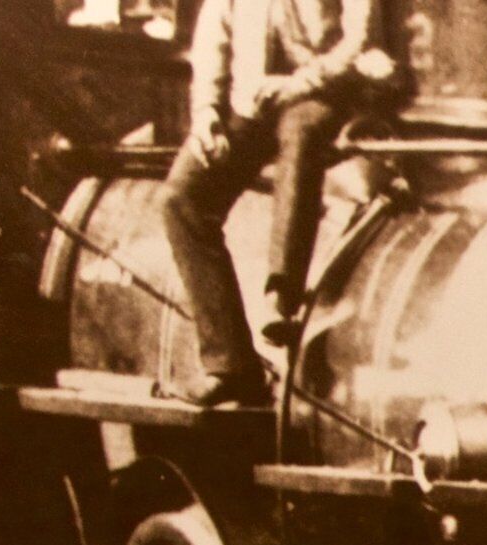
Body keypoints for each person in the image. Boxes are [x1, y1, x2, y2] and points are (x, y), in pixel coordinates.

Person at [161, 0, 399, 406]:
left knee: (302, 135)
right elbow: (213, 39)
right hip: (250, 104)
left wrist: (297, 83)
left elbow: (360, 40)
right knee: (182, 199)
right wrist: (206, 113)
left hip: (324, 93)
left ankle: (282, 298)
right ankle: (231, 366)